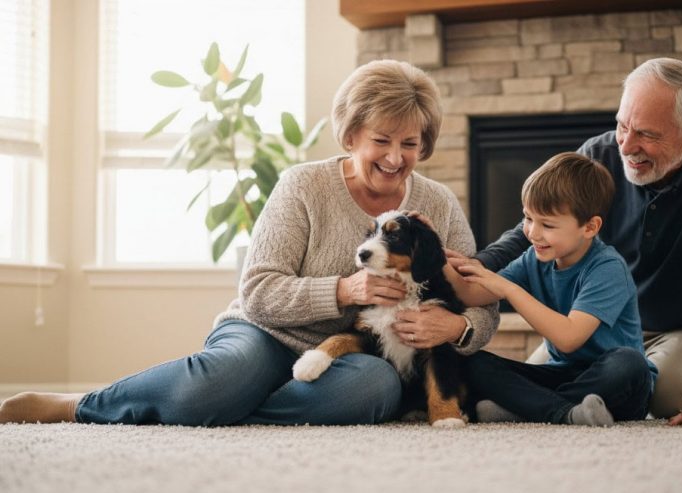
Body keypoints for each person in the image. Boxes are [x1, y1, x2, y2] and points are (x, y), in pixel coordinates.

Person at [0, 60, 498, 426]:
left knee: (374, 390)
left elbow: (480, 300)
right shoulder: (304, 185)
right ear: (351, 136)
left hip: (352, 356)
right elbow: (258, 290)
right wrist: (345, 291)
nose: (396, 157)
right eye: (382, 140)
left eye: (410, 143)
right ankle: (82, 404)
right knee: (218, 383)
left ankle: (229, 409)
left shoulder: (436, 203)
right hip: (265, 333)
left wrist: (456, 326)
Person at [453, 57, 682, 429]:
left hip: (681, 327)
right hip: (590, 329)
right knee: (493, 370)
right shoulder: (597, 158)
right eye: (622, 126)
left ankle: (531, 405)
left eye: (647, 134)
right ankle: (557, 408)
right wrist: (470, 268)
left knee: (669, 395)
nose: (627, 145)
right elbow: (530, 233)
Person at [447, 152, 656, 427]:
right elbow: (469, 294)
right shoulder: (534, 258)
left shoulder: (607, 268)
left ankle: (532, 408)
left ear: (590, 227)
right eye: (528, 218)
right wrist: (435, 259)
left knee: (630, 364)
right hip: (564, 375)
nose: (532, 233)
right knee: (471, 363)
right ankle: (564, 411)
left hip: (617, 383)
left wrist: (509, 289)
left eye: (547, 224)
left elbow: (568, 338)